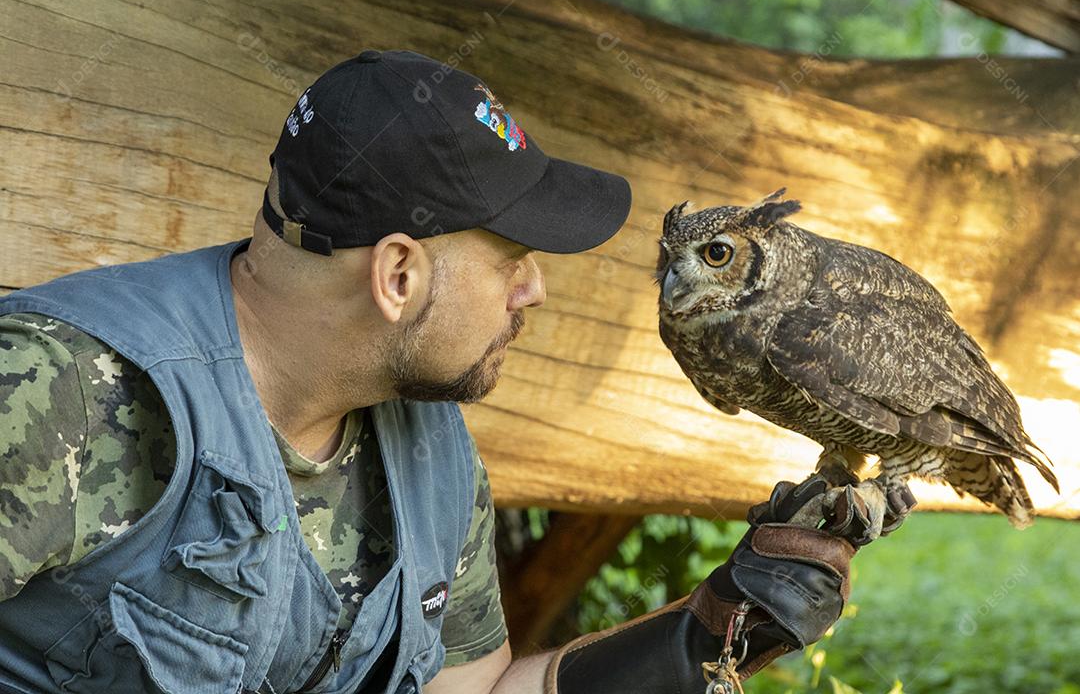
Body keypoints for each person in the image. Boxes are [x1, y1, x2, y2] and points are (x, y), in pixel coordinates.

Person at [0, 49, 898, 694]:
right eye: (512, 255)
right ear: (397, 275)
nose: (535, 288)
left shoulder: (426, 445)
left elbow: (475, 689)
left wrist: (706, 632)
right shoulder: (59, 391)